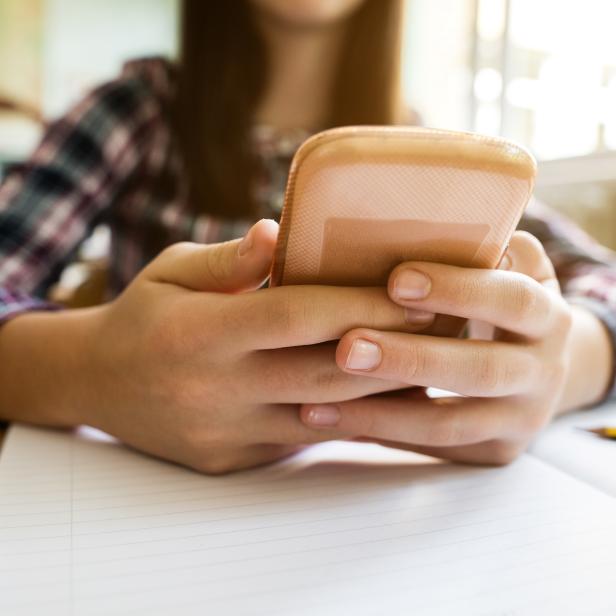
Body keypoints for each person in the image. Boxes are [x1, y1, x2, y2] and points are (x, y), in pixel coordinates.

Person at [0, 0, 614, 474]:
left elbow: (602, 279)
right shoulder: (132, 114)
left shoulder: (439, 155)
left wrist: (566, 362)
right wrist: (89, 369)